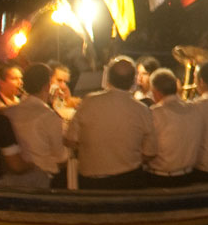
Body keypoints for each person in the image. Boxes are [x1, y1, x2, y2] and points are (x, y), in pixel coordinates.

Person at [66, 55, 156, 190]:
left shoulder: (89, 102)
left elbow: (70, 140)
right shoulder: (142, 110)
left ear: (108, 78)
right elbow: (150, 152)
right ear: (133, 81)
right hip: (128, 181)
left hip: (91, 182)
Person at [0, 63, 67, 189]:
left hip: (13, 178)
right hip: (43, 179)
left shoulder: (8, 112)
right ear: (47, 86)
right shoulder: (49, 116)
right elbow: (60, 156)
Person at [145, 68, 203, 187]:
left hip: (160, 178)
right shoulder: (195, 110)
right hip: (189, 177)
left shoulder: (155, 113)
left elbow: (149, 151)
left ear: (156, 92)